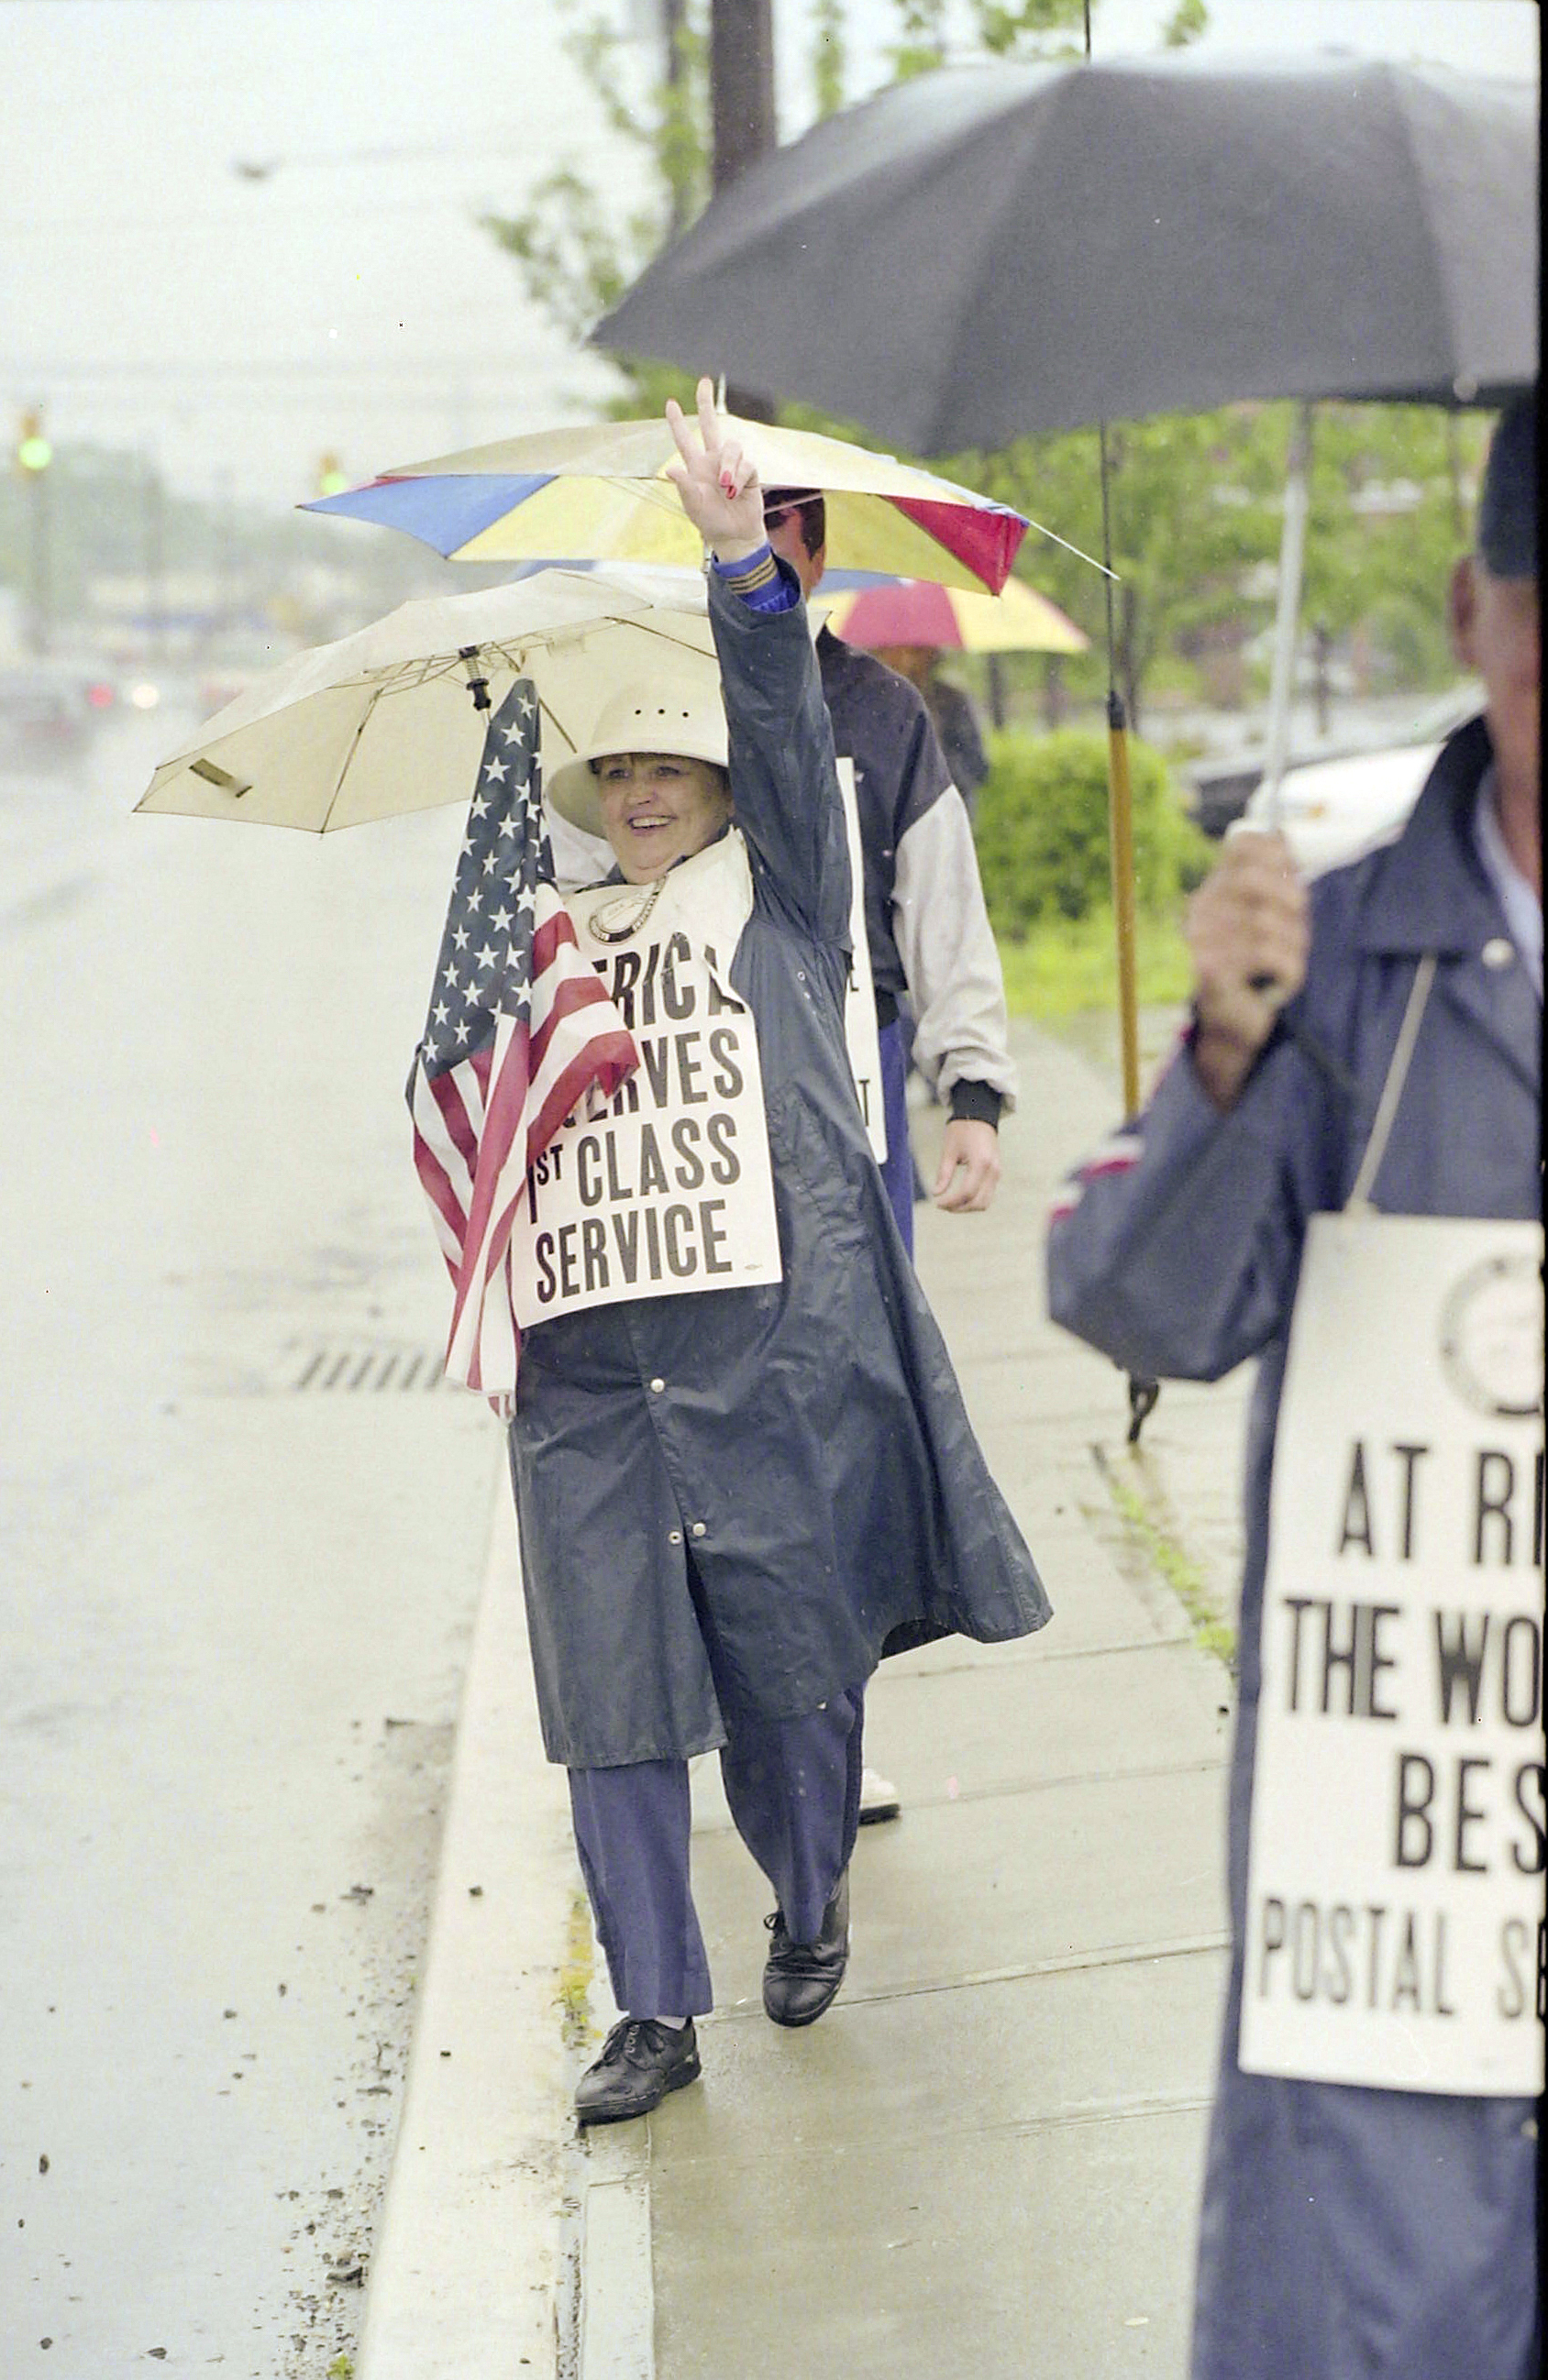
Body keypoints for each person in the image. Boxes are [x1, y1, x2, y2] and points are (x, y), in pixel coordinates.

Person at [1045, 391, 1540, 2378]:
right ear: (1470, 609)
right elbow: (1135, 1304)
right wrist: (1219, 1059)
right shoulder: (1324, 967)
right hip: (1399, 1871)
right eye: (1539, 612)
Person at [510, 381, 1050, 2127]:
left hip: (761, 1349)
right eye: (618, 772)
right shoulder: (552, 929)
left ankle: (807, 1894)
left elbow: (773, 697)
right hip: (595, 1375)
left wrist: (743, 563)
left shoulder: (788, 890)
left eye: (668, 767)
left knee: (789, 1670)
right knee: (609, 1695)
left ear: (724, 780)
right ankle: (651, 2010)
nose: (641, 794)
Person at [765, 493, 1017, 1824]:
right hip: (699, 1117)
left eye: (764, 529)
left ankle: (834, 1733)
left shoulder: (880, 713)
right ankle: (746, 1728)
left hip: (855, 1099)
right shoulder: (646, 711)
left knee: (851, 1422)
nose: (738, 554)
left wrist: (970, 1092)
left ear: (814, 548)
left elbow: (943, 911)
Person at [868, 640, 991, 822]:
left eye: (916, 652)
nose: (906, 659)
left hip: (944, 816)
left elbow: (977, 766)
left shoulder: (953, 701)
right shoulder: (871, 703)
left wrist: (932, 743)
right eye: (895, 650)